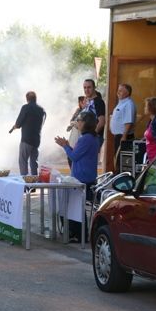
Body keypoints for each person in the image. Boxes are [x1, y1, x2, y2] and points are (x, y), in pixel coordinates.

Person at [54, 111, 99, 241]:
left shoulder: (86, 138)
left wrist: (65, 146)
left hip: (82, 180)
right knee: (71, 202)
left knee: (67, 201)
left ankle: (77, 233)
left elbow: (74, 156)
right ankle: (75, 232)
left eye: (79, 120)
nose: (77, 122)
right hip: (86, 178)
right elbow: (78, 154)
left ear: (85, 123)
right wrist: (68, 146)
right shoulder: (92, 137)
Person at [9, 91, 45, 176]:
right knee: (34, 162)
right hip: (36, 140)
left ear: (27, 99)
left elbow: (18, 124)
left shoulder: (26, 107)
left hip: (26, 139)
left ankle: (24, 181)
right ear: (35, 99)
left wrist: (15, 126)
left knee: (23, 160)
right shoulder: (41, 110)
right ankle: (34, 180)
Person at [110, 83, 136, 172]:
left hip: (124, 136)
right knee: (117, 160)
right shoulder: (121, 103)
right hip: (118, 136)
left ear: (127, 93)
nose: (118, 92)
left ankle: (121, 177)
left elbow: (128, 121)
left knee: (121, 161)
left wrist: (124, 136)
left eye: (121, 91)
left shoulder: (129, 104)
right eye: (118, 90)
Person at [82, 79, 106, 149]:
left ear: (94, 88)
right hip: (87, 137)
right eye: (85, 88)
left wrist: (91, 135)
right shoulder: (88, 101)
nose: (86, 90)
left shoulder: (98, 102)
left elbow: (102, 122)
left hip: (94, 137)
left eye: (89, 87)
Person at [66, 96, 86, 168]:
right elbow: (72, 120)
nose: (82, 104)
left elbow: (82, 125)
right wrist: (72, 124)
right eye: (81, 102)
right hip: (74, 136)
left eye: (83, 102)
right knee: (70, 156)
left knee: (76, 155)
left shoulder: (87, 112)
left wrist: (74, 124)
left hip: (80, 136)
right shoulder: (78, 110)